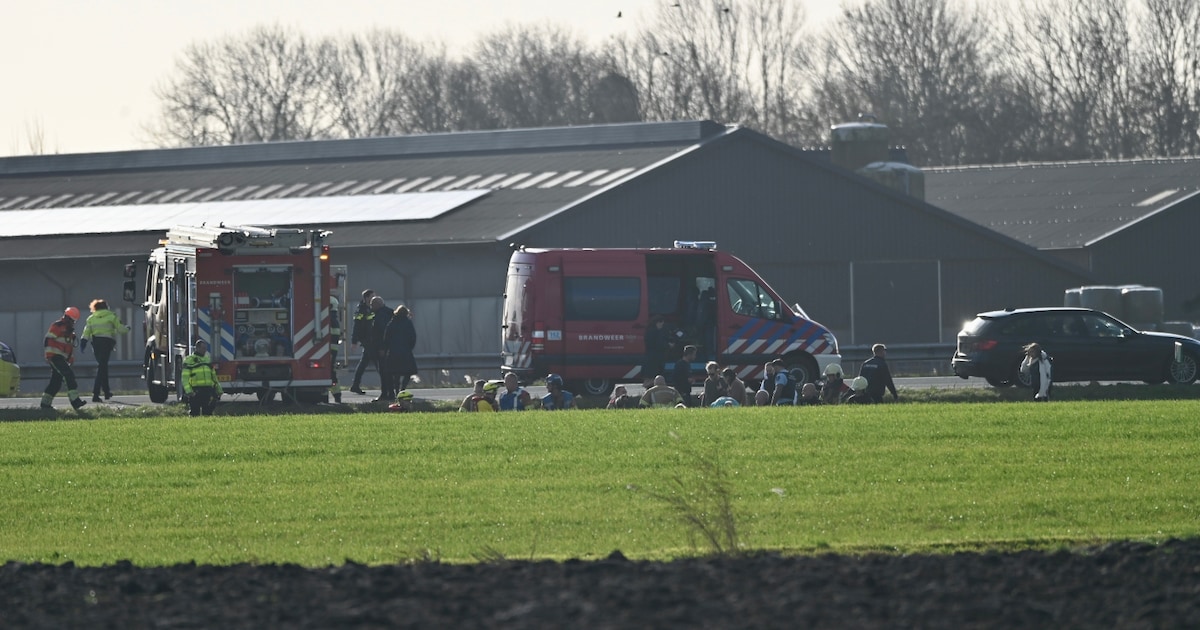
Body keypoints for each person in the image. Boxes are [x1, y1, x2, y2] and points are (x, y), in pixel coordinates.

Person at [80, 299, 130, 402]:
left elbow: (86, 332)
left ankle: (107, 392)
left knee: (103, 367)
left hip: (96, 345)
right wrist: (128, 328)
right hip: (106, 344)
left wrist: (83, 343)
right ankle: (95, 394)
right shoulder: (112, 316)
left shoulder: (91, 318)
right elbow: (121, 330)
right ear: (106, 307)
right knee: (102, 367)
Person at [41, 307, 87, 411]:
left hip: (60, 358)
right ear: (66, 317)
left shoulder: (69, 331)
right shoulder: (57, 326)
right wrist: (49, 355)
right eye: (71, 320)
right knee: (68, 374)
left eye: (73, 321)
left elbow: (68, 347)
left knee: (55, 382)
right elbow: (48, 339)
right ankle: (75, 401)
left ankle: (45, 404)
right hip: (54, 356)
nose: (72, 322)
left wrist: (70, 359)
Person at [382, 305, 418, 400]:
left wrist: (387, 349)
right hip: (405, 351)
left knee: (395, 373)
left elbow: (386, 338)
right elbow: (413, 337)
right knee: (408, 372)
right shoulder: (408, 323)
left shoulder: (391, 323)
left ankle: (397, 390)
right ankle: (403, 388)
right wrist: (409, 348)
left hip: (393, 352)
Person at [182, 339, 223, 416]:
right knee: (194, 413)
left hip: (207, 390)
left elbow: (214, 377)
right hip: (195, 391)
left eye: (205, 348)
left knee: (208, 412)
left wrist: (219, 389)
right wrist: (189, 391)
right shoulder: (189, 360)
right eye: (203, 348)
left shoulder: (207, 359)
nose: (205, 350)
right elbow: (185, 378)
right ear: (197, 348)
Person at [348, 289, 376, 395]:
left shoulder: (370, 308)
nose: (373, 298)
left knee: (364, 363)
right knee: (377, 363)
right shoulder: (361, 310)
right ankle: (387, 388)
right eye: (372, 296)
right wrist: (354, 341)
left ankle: (355, 385)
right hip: (367, 340)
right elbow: (357, 326)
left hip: (371, 339)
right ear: (366, 298)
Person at [367, 296, 393, 401]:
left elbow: (383, 333)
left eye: (372, 304)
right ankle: (390, 393)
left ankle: (385, 394)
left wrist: (382, 347)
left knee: (384, 372)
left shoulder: (381, 315)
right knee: (388, 372)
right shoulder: (389, 312)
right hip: (388, 348)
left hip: (382, 349)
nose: (371, 306)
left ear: (378, 304)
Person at [643, 315, 674, 388]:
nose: (661, 325)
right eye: (661, 323)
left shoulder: (650, 331)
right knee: (652, 378)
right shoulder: (654, 332)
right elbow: (659, 344)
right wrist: (668, 345)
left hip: (651, 359)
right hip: (654, 360)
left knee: (650, 379)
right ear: (657, 323)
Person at [328, 295, 343, 403]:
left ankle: (337, 396)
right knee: (331, 373)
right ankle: (337, 396)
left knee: (330, 374)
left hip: (329, 350)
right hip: (332, 350)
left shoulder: (329, 319)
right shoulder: (334, 319)